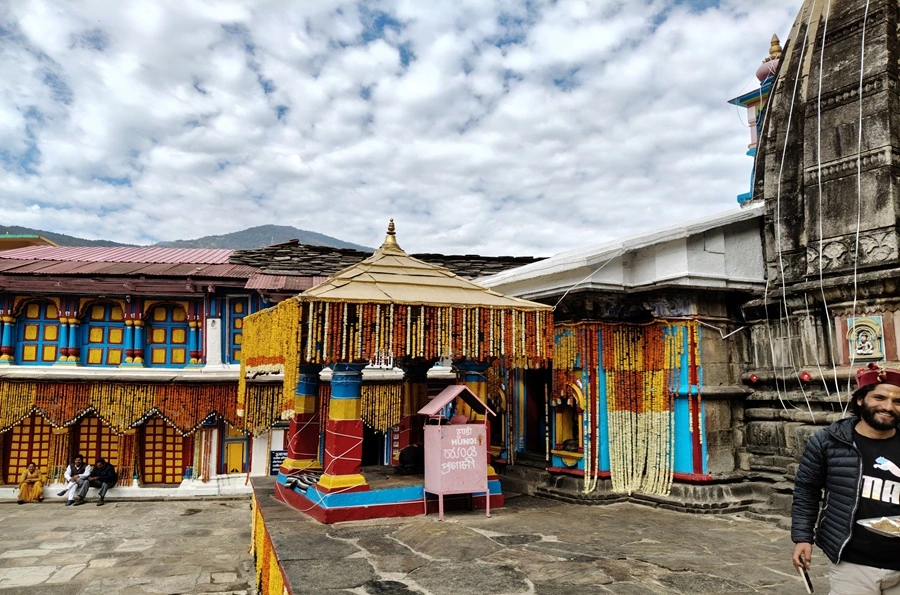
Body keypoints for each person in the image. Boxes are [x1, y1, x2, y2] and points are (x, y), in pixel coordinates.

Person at [791, 363, 900, 594]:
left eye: (897, 401)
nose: (888, 407)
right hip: (853, 562)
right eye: (878, 397)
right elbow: (806, 490)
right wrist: (802, 537)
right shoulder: (829, 441)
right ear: (860, 399)